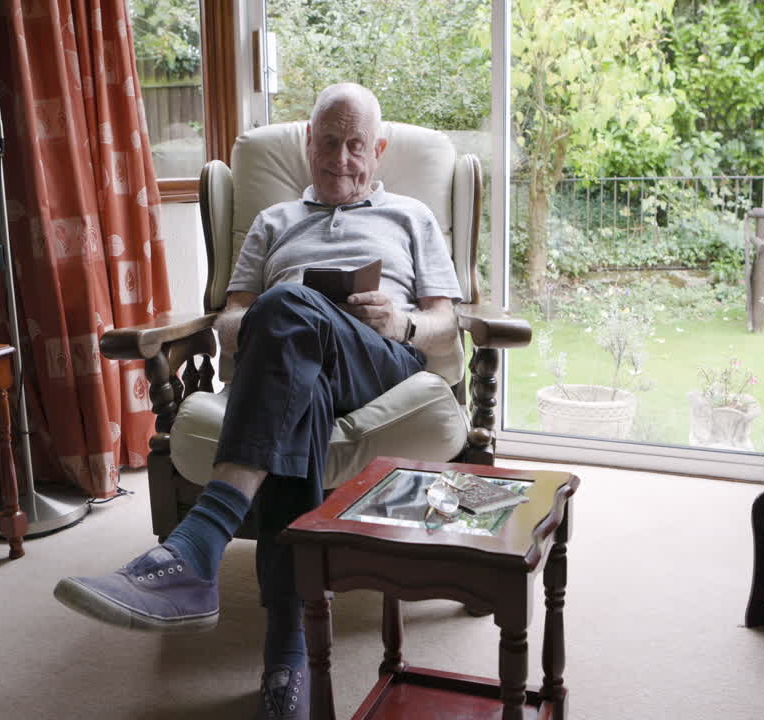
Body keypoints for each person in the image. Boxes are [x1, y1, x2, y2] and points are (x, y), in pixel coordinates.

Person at [53, 83, 462, 720]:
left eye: (357, 145)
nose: (342, 157)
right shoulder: (274, 221)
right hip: (293, 368)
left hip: (380, 358)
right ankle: (286, 656)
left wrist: (400, 323)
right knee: (298, 369)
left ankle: (199, 543)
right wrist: (273, 323)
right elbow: (231, 316)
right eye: (329, 141)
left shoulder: (411, 216)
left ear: (377, 150)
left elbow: (445, 322)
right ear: (309, 143)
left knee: (291, 306)